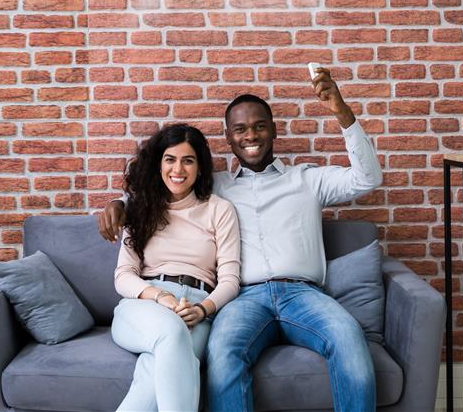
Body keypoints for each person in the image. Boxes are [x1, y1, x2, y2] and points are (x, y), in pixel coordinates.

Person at [100, 68, 383, 412]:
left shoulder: (307, 179)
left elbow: (367, 178)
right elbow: (166, 190)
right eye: (240, 129)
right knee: (222, 354)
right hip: (244, 298)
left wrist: (342, 112)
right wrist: (120, 203)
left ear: (274, 130)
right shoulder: (214, 186)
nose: (251, 135)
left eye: (260, 126)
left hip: (303, 293)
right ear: (229, 139)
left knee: (349, 336)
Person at [110, 123, 241, 412]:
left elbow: (230, 280)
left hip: (196, 312)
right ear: (158, 164)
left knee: (153, 371)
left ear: (200, 167)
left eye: (188, 160)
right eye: (170, 159)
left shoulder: (219, 210)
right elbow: (123, 276)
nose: (178, 169)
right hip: (144, 304)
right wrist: (161, 298)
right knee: (171, 333)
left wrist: (203, 308)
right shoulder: (141, 209)